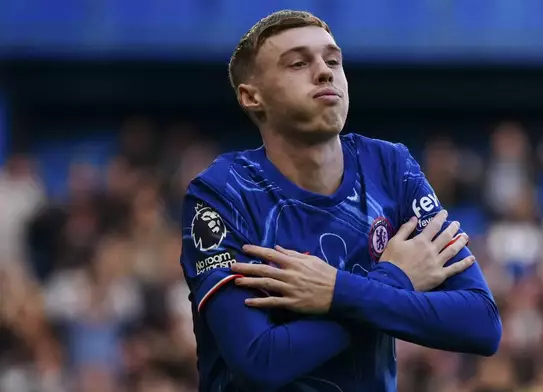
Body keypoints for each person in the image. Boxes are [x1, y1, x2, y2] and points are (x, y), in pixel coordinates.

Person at [180, 10, 502, 392]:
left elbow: (481, 323)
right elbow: (260, 360)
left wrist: (337, 291)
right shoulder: (222, 193)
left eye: (333, 60)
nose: (324, 72)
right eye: (299, 63)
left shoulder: (390, 167)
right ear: (252, 96)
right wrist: (393, 279)